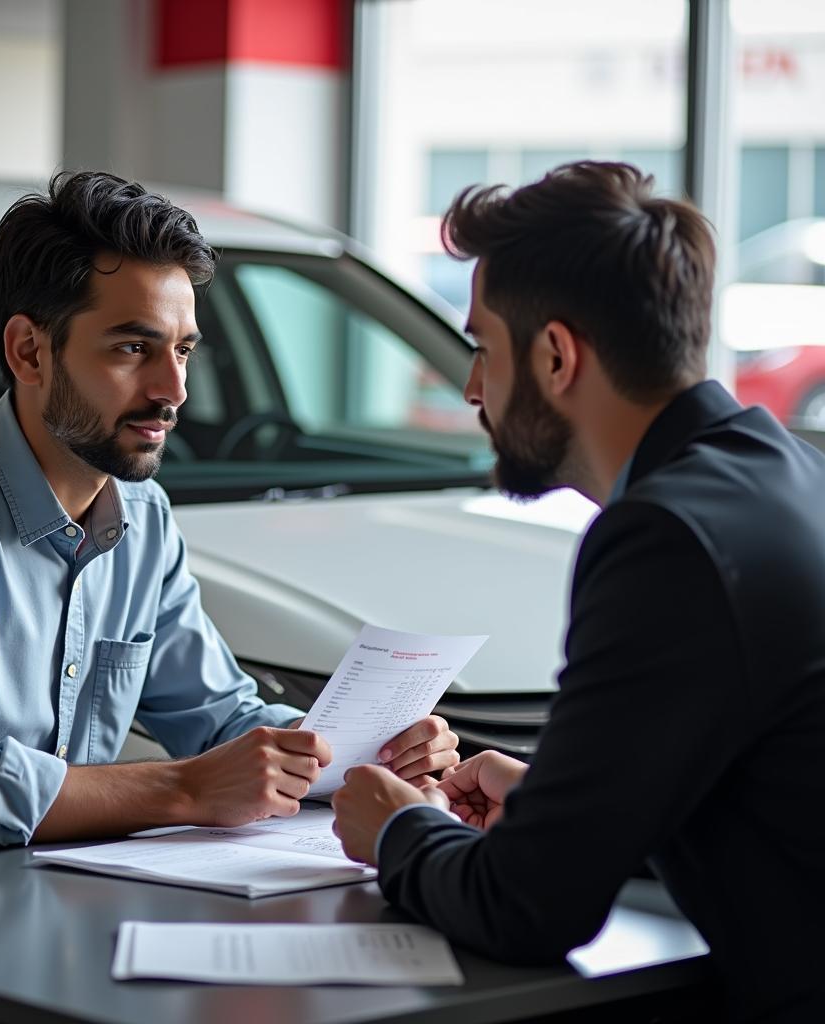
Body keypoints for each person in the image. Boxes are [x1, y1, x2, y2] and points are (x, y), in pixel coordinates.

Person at [0, 171, 458, 863]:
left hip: (44, 903)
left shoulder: (141, 516)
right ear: (29, 350)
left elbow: (220, 720)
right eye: (132, 348)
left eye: (182, 350)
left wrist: (368, 754)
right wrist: (183, 789)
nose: (174, 390)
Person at [332, 161, 825, 1023]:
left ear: (557, 356)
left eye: (483, 348)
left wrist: (398, 831)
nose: (474, 389)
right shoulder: (789, 476)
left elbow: (526, 908)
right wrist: (556, 802)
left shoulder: (664, 538)